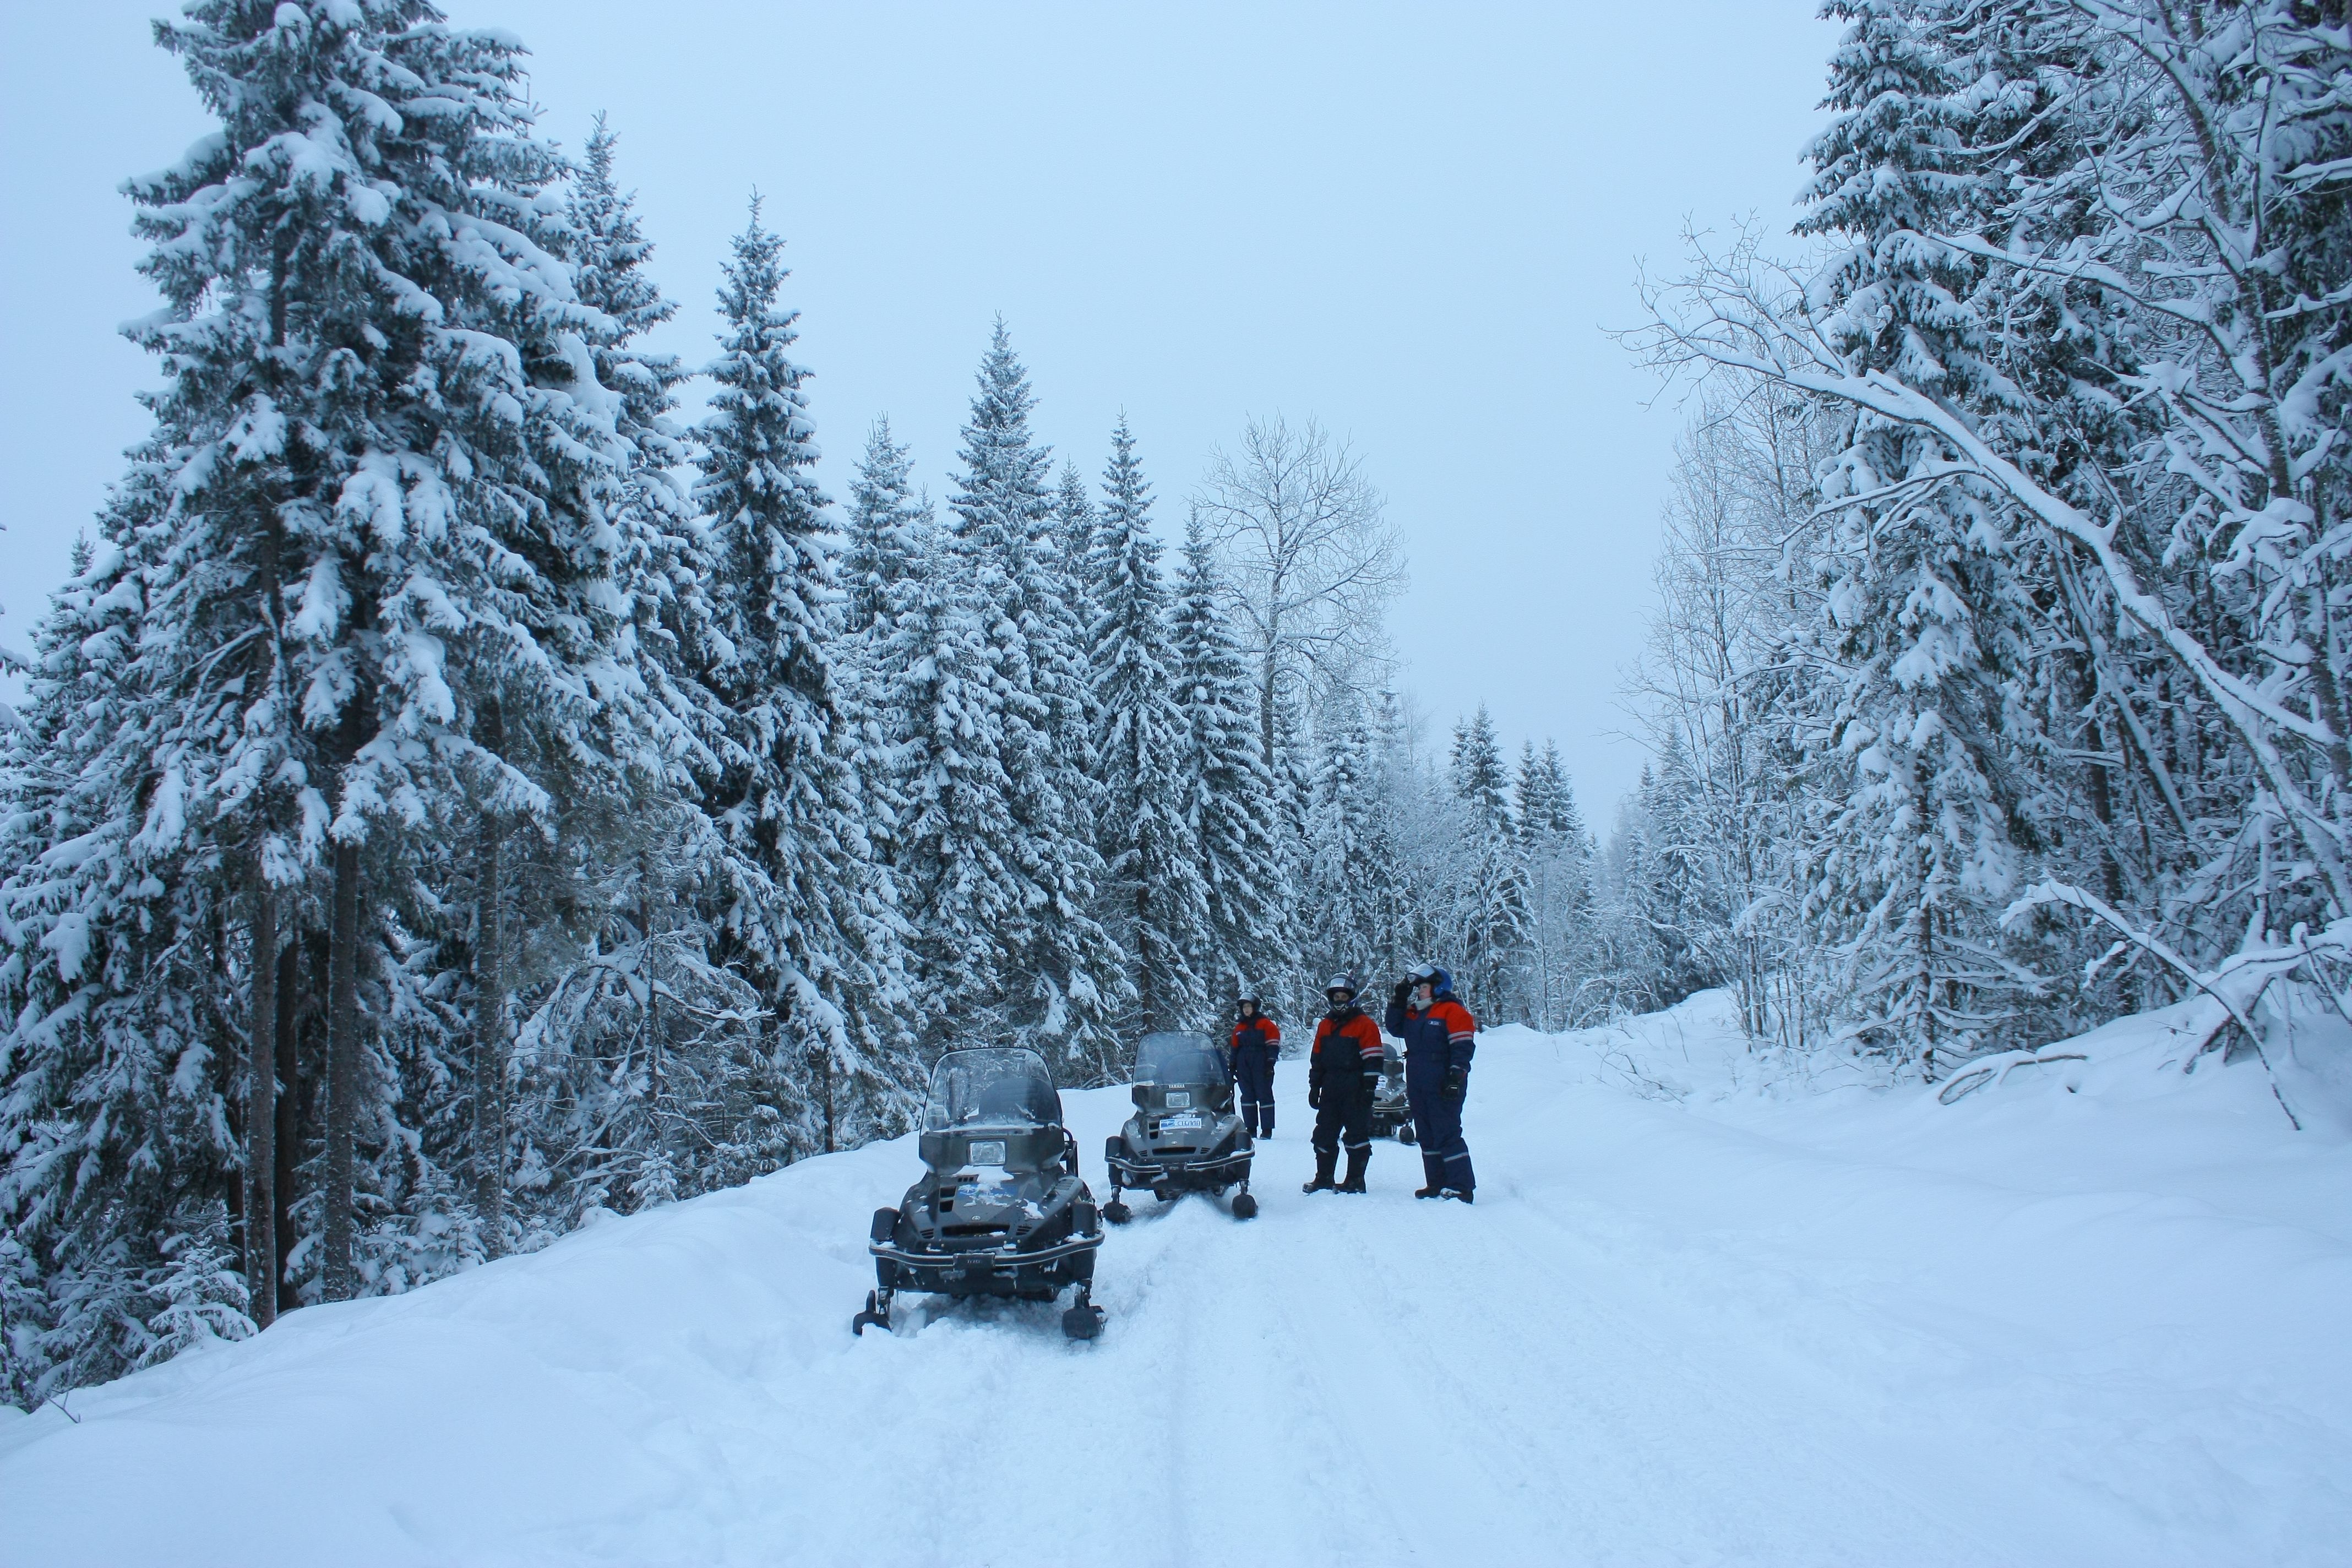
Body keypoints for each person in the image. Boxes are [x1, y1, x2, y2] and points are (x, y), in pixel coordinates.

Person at [1386, 962, 1476, 1202]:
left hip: (1442, 1078)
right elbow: (1395, 1028)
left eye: (1423, 987)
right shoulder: (1416, 1012)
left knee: (1446, 1131)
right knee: (1425, 1132)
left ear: (1438, 987)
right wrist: (1399, 999)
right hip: (1418, 1077)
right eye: (1418, 988)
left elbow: (1463, 1046)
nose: (1420, 991)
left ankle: (1461, 1186)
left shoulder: (1453, 1011)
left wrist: (1456, 1076)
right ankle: (1436, 1183)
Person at [1304, 973, 1383, 1194]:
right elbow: (1317, 1058)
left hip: (1355, 1086)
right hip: (1331, 1086)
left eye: (1343, 996)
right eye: (1336, 996)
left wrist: (1369, 1087)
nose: (1340, 1000)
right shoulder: (1325, 1025)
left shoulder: (1365, 1025)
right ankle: (1323, 1178)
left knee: (1356, 1135)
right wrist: (1314, 1086)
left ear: (1352, 997)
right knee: (1323, 1134)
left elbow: (1374, 1058)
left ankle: (1355, 1180)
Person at [1230, 989, 1282, 1140]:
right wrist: (1232, 1063)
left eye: (1249, 1006)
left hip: (1261, 1061)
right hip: (1243, 1063)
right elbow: (1234, 1046)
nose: (1246, 1009)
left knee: (1264, 1093)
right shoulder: (1239, 1028)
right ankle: (1251, 1128)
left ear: (1255, 1007)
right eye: (1244, 1007)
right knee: (1247, 1095)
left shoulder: (1265, 1024)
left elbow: (1273, 1042)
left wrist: (1271, 1061)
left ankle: (1267, 1129)